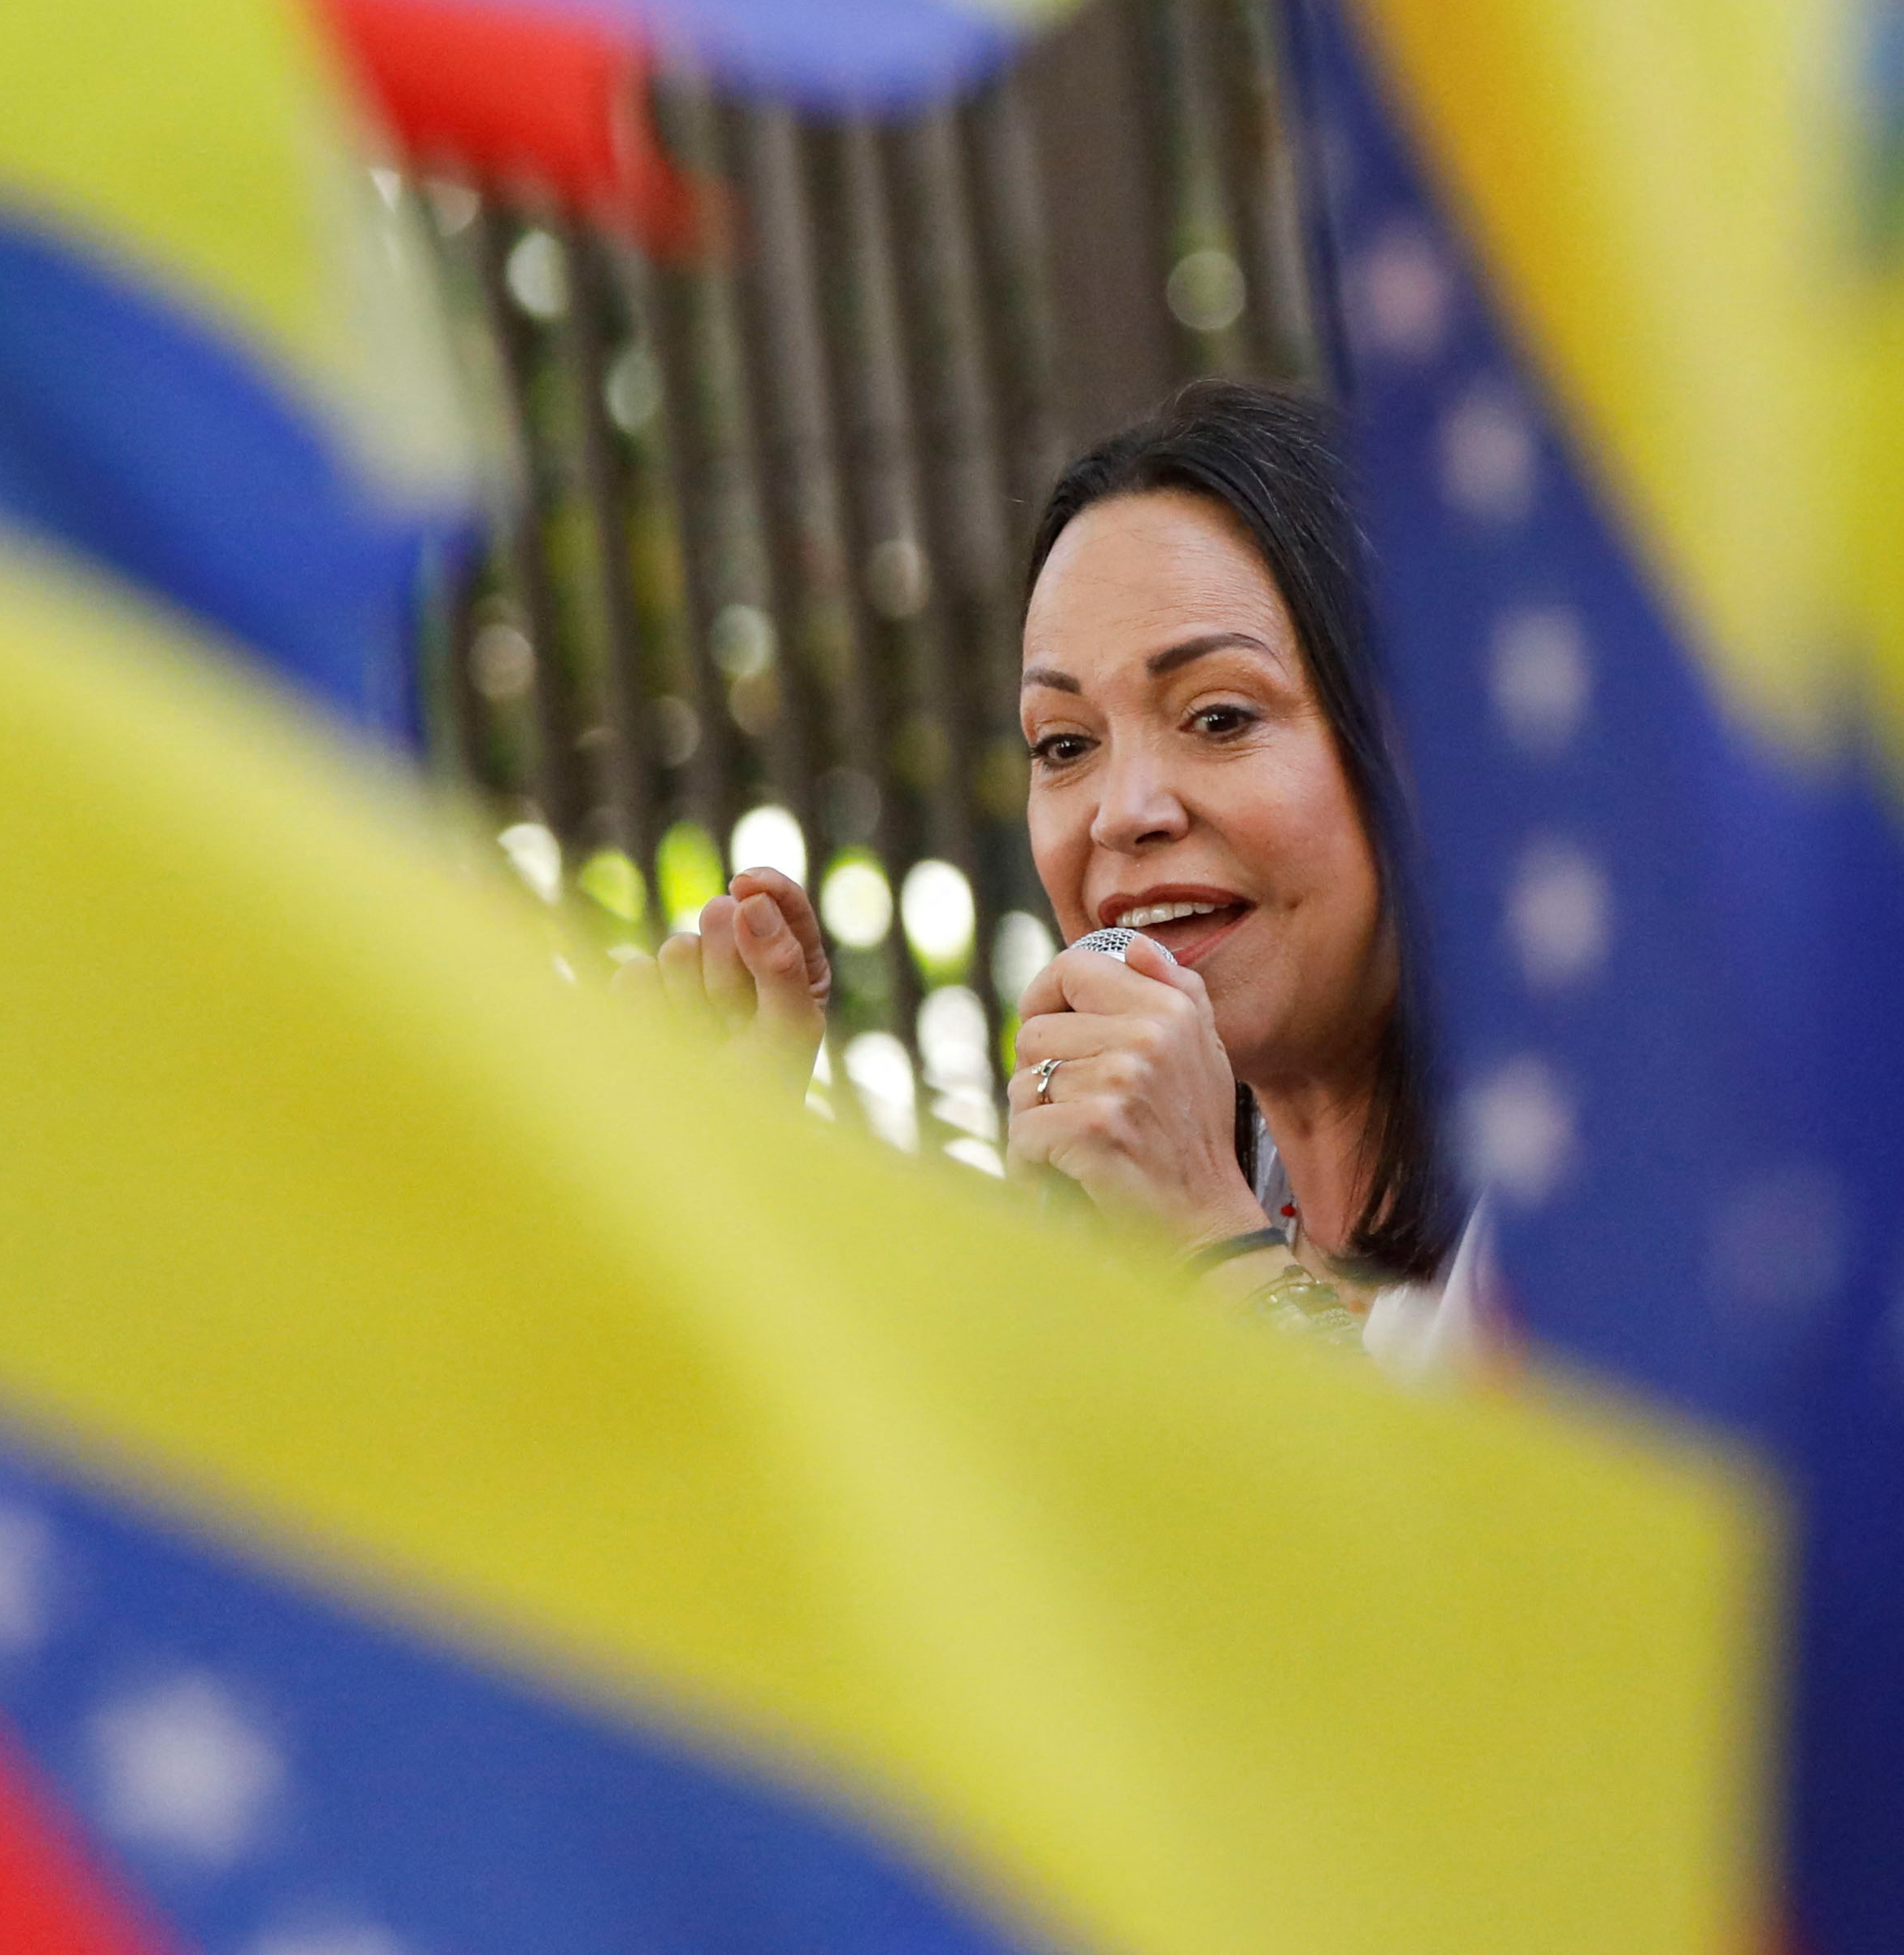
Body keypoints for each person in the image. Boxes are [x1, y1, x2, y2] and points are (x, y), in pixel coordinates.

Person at [627, 378, 1482, 1370]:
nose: (1123, 813)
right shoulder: (1111, 1242)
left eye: (1218, 718)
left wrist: (1211, 1243)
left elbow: (1458, 1526)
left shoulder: (1608, 1188)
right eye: (1065, 744)